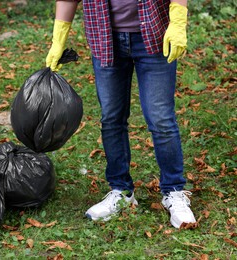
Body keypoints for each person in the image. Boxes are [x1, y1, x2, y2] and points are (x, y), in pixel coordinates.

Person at [45, 0, 196, 229]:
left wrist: (177, 22)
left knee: (161, 119)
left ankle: (174, 192)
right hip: (105, 38)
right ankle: (121, 191)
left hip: (154, 36)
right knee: (111, 119)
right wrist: (59, 39)